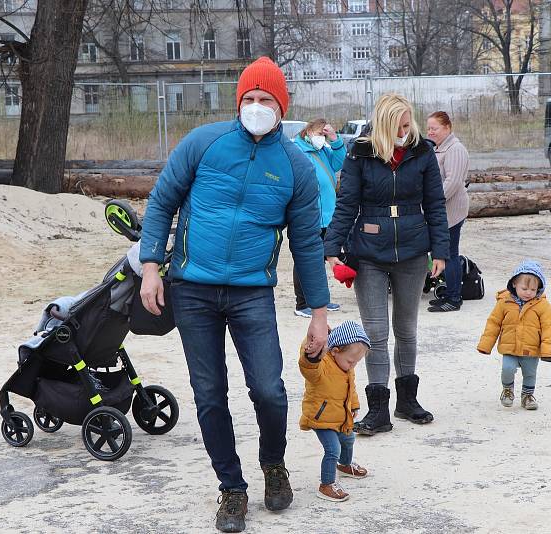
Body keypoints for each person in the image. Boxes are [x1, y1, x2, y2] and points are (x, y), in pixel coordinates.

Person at [138, 56, 330, 534]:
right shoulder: (204, 143)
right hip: (192, 289)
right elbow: (162, 201)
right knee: (209, 394)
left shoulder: (296, 167)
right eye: (250, 99)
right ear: (238, 102)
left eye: (266, 100)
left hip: (251, 294)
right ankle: (232, 488)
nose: (257, 107)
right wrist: (150, 267)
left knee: (269, 389)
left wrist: (320, 312)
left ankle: (273, 465)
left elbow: (307, 243)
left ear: (282, 107)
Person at [323, 93, 450, 435]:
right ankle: (378, 409)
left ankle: (407, 401)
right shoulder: (359, 154)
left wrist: (441, 251)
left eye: (408, 125)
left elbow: (436, 204)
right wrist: (331, 244)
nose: (404, 132)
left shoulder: (422, 151)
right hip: (370, 253)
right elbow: (346, 203)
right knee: (376, 332)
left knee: (406, 328)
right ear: (382, 126)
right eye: (398, 127)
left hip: (412, 251)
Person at [299, 321, 371, 502]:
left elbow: (350, 389)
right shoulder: (321, 365)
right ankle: (327, 484)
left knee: (349, 439)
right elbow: (308, 368)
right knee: (333, 449)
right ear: (335, 350)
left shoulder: (347, 368)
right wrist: (311, 350)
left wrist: (354, 405)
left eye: (356, 362)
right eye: (350, 361)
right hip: (321, 417)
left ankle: (345, 465)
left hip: (341, 415)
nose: (352, 365)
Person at [477, 260, 551, 410]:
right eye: (524, 288)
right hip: (509, 346)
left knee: (530, 373)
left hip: (531, 348)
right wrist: (485, 345)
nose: (528, 292)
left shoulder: (543, 306)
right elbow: (494, 323)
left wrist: (548, 351)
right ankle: (507, 390)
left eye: (533, 289)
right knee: (507, 368)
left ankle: (527, 396)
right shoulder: (504, 302)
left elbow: (549, 329)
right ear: (514, 284)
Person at [292, 118, 347, 318]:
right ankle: (302, 302)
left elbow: (340, 161)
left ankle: (320, 300)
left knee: (322, 259)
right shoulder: (298, 151)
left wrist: (334, 138)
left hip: (326, 216)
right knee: (305, 260)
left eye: (324, 134)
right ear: (308, 133)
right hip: (309, 215)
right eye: (320, 134)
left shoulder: (323, 150)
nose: (322, 138)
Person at [426, 111, 470, 312]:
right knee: (443, 253)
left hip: (451, 211)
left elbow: (452, 182)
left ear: (447, 128)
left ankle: (454, 298)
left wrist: (433, 202)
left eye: (434, 128)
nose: (430, 132)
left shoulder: (455, 149)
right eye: (428, 128)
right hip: (441, 211)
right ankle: (449, 292)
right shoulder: (440, 149)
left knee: (450, 253)